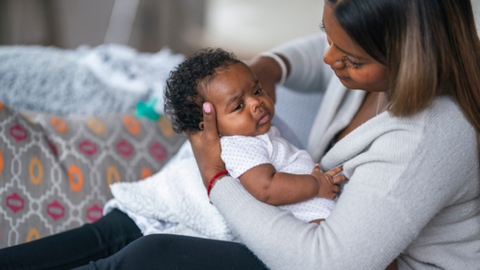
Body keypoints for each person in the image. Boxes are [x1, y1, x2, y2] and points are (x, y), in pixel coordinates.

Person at [1, 0, 479, 269]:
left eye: (350, 58)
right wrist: (266, 69)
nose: (331, 58)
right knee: (122, 226)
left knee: (151, 254)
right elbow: (322, 51)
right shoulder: (359, 65)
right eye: (328, 34)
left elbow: (328, 262)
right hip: (305, 219)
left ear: (408, 59)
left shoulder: (429, 139)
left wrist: (214, 177)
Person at [163, 48, 345, 224]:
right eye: (238, 106)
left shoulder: (257, 133)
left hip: (314, 210)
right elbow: (266, 188)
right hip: (305, 221)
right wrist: (315, 184)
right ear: (211, 126)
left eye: (257, 91)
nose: (256, 102)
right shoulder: (238, 147)